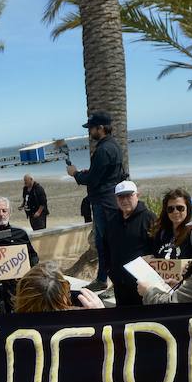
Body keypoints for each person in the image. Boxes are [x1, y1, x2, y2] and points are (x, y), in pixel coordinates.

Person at [67, 112, 126, 290]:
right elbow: (108, 174)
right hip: (110, 199)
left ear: (100, 128)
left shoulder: (103, 150)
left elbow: (93, 180)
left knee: (105, 244)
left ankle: (111, 282)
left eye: (91, 128)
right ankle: (102, 279)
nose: (89, 131)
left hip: (103, 202)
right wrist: (89, 172)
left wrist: (75, 174)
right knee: (104, 243)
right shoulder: (114, 146)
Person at [102, 180, 155, 307]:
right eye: (120, 197)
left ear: (137, 195)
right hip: (119, 284)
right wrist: (110, 271)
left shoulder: (149, 218)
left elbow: (157, 249)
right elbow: (105, 247)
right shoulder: (112, 220)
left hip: (142, 285)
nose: (125, 200)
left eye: (128, 195)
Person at [0, 196, 39, 301]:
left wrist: (28, 273)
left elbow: (33, 256)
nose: (1, 214)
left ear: (9, 212)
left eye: (4, 211)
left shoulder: (20, 234)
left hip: (20, 286)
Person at [151, 188, 192, 259]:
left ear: (188, 208)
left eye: (180, 208)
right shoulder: (161, 233)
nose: (175, 212)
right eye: (170, 209)